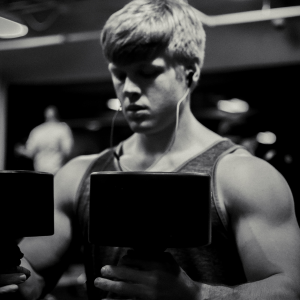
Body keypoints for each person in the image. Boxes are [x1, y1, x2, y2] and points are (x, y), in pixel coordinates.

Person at [1, 0, 300, 299]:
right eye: (119, 74)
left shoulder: (243, 177)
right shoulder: (78, 176)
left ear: (190, 72)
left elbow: (289, 289)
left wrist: (198, 295)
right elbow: (32, 280)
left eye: (147, 72)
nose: (128, 88)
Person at [14, 105, 74, 174]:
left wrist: (20, 150)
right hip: (57, 172)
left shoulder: (37, 131)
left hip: (40, 172)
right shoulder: (63, 129)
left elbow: (30, 152)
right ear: (57, 115)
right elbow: (68, 151)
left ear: (45, 116)